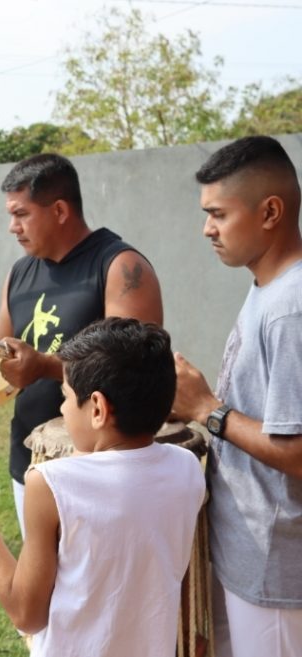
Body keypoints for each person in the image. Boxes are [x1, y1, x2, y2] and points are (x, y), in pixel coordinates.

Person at [0, 318, 206, 657]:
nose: (62, 408)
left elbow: (26, 614)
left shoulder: (51, 483)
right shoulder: (186, 468)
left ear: (97, 408)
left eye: (64, 397)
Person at [171, 136, 302, 657]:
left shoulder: (291, 309)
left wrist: (206, 408)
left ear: (270, 211)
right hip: (248, 555)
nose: (207, 228)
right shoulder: (268, 287)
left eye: (218, 214)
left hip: (276, 567)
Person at [0, 153, 163, 534]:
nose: (12, 227)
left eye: (21, 214)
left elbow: (135, 369)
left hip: (102, 470)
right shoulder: (20, 272)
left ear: (58, 210)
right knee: (49, 591)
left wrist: (43, 366)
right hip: (30, 460)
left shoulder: (119, 265)